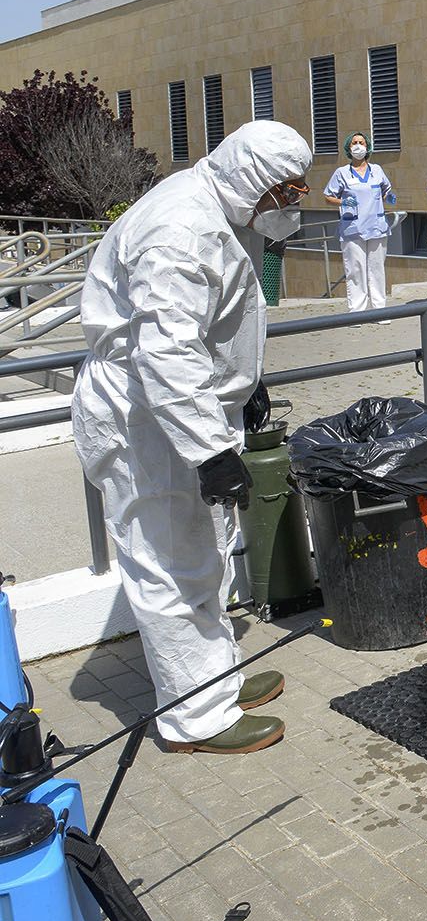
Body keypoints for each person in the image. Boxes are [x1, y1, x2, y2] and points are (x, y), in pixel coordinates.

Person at [71, 120, 313, 754]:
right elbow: (166, 349)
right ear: (252, 179)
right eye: (287, 189)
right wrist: (210, 451)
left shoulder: (222, 210)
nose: (294, 200)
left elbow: (215, 319)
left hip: (178, 407)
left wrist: (244, 382)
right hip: (144, 421)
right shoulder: (180, 228)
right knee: (169, 567)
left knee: (204, 551)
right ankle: (195, 718)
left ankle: (214, 677)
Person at [323, 131, 396, 315]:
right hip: (352, 228)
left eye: (361, 142)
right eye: (354, 143)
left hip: (377, 226)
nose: (358, 146)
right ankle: (357, 312)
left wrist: (389, 197)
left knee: (377, 269)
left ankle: (380, 311)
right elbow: (328, 196)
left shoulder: (377, 170)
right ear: (349, 148)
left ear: (367, 146)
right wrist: (342, 202)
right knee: (356, 270)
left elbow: (386, 190)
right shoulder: (341, 173)